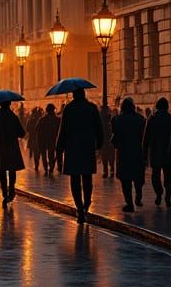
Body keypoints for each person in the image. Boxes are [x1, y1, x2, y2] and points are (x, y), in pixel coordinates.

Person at [56, 87, 104, 224]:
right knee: (87, 177)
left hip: (72, 147)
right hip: (87, 146)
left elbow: (63, 130)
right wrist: (99, 143)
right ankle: (87, 203)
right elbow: (98, 128)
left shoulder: (69, 109)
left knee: (75, 179)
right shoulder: (92, 108)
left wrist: (59, 148)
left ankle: (79, 208)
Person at [111, 97, 146, 212]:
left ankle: (129, 203)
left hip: (123, 153)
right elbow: (144, 138)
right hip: (137, 152)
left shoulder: (117, 120)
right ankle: (139, 195)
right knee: (138, 177)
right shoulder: (141, 119)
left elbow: (114, 138)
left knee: (125, 180)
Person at [0, 101, 26, 207]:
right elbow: (22, 133)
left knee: (2, 170)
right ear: (9, 104)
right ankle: (12, 190)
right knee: (12, 169)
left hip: (1, 146)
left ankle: (5, 193)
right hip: (12, 146)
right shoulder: (13, 116)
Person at [143, 97, 171, 207]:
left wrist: (144, 154)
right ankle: (168, 194)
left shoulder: (152, 119)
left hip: (155, 151)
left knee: (155, 175)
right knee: (168, 174)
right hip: (168, 152)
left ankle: (159, 192)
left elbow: (146, 138)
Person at [36, 104, 61, 176]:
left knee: (44, 155)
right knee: (51, 155)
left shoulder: (42, 120)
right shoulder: (58, 120)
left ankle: (46, 169)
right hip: (53, 140)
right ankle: (51, 169)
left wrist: (38, 142)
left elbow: (37, 131)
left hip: (43, 140)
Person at [99, 102, 116, 179]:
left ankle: (110, 170)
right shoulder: (101, 120)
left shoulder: (111, 119)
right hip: (105, 140)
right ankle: (106, 170)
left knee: (109, 156)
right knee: (105, 157)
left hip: (109, 140)